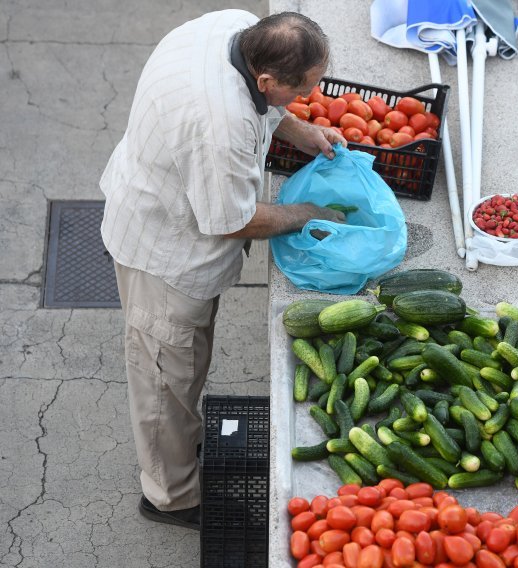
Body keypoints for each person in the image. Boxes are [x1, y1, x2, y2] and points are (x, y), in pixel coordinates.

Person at [100, 10, 346, 530]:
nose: (310, 93)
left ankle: (183, 446)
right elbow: (230, 220)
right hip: (164, 254)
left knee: (184, 362)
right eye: (304, 87)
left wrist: (301, 133)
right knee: (165, 379)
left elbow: (266, 111)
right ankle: (172, 496)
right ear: (265, 80)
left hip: (168, 209)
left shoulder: (235, 25)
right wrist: (307, 216)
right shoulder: (218, 121)